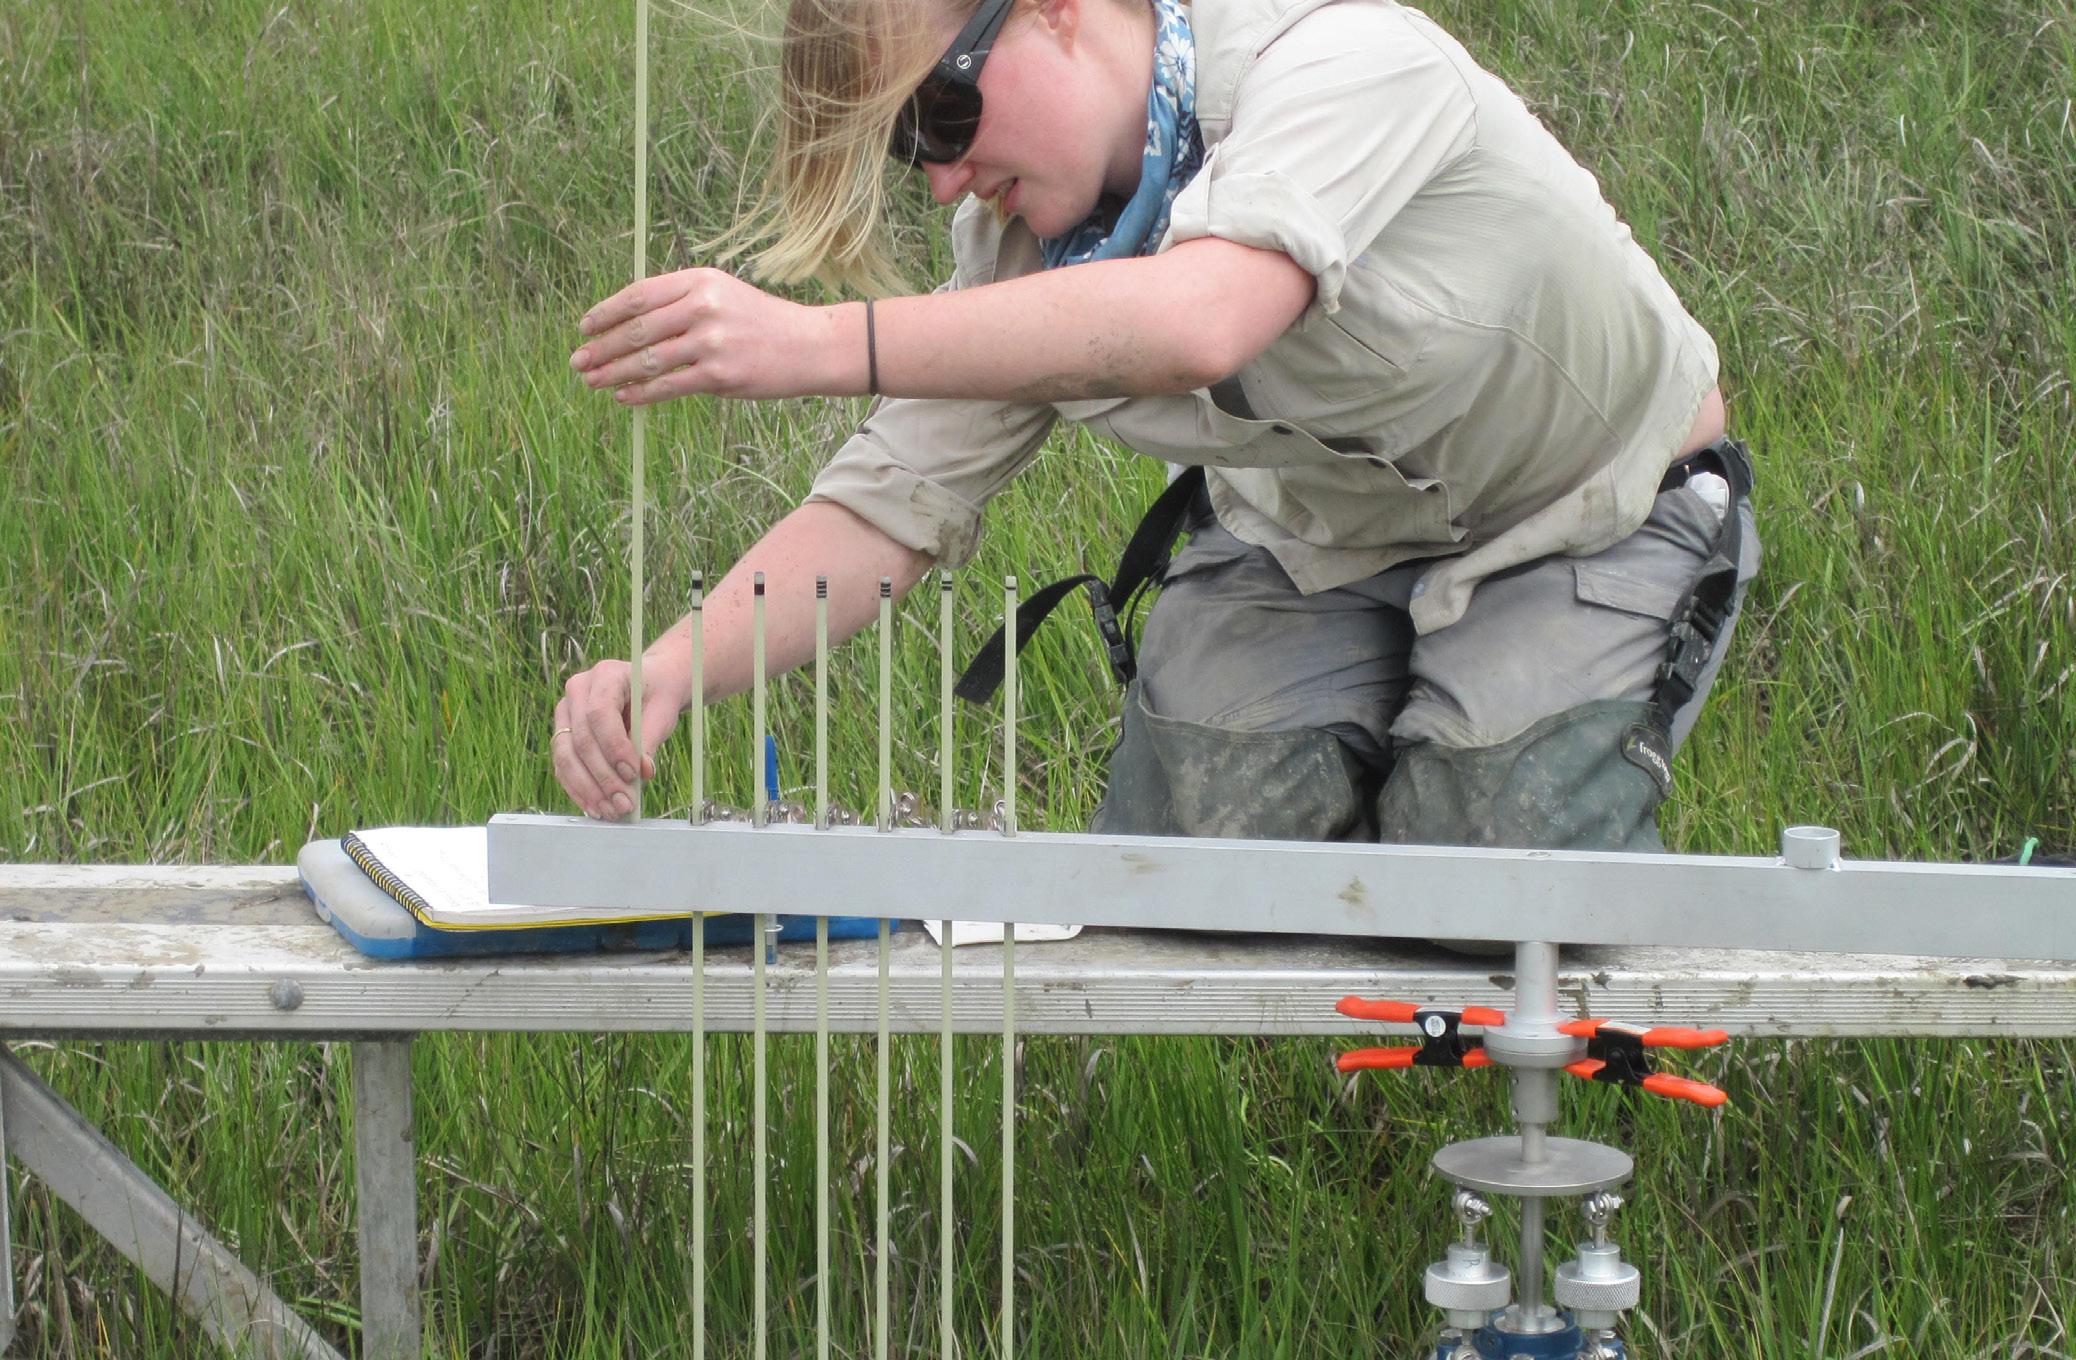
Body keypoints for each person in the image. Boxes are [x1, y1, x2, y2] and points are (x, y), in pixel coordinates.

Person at [553, 0, 1758, 858]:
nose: (940, 178)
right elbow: (886, 505)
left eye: (941, 111)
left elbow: (1201, 319)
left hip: (1593, 509)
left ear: (1057, 9)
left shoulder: (1336, 56)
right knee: (1191, 840)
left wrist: (817, 344)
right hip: (1322, 544)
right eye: (904, 144)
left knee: (1490, 847)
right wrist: (666, 672)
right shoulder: (1022, 247)